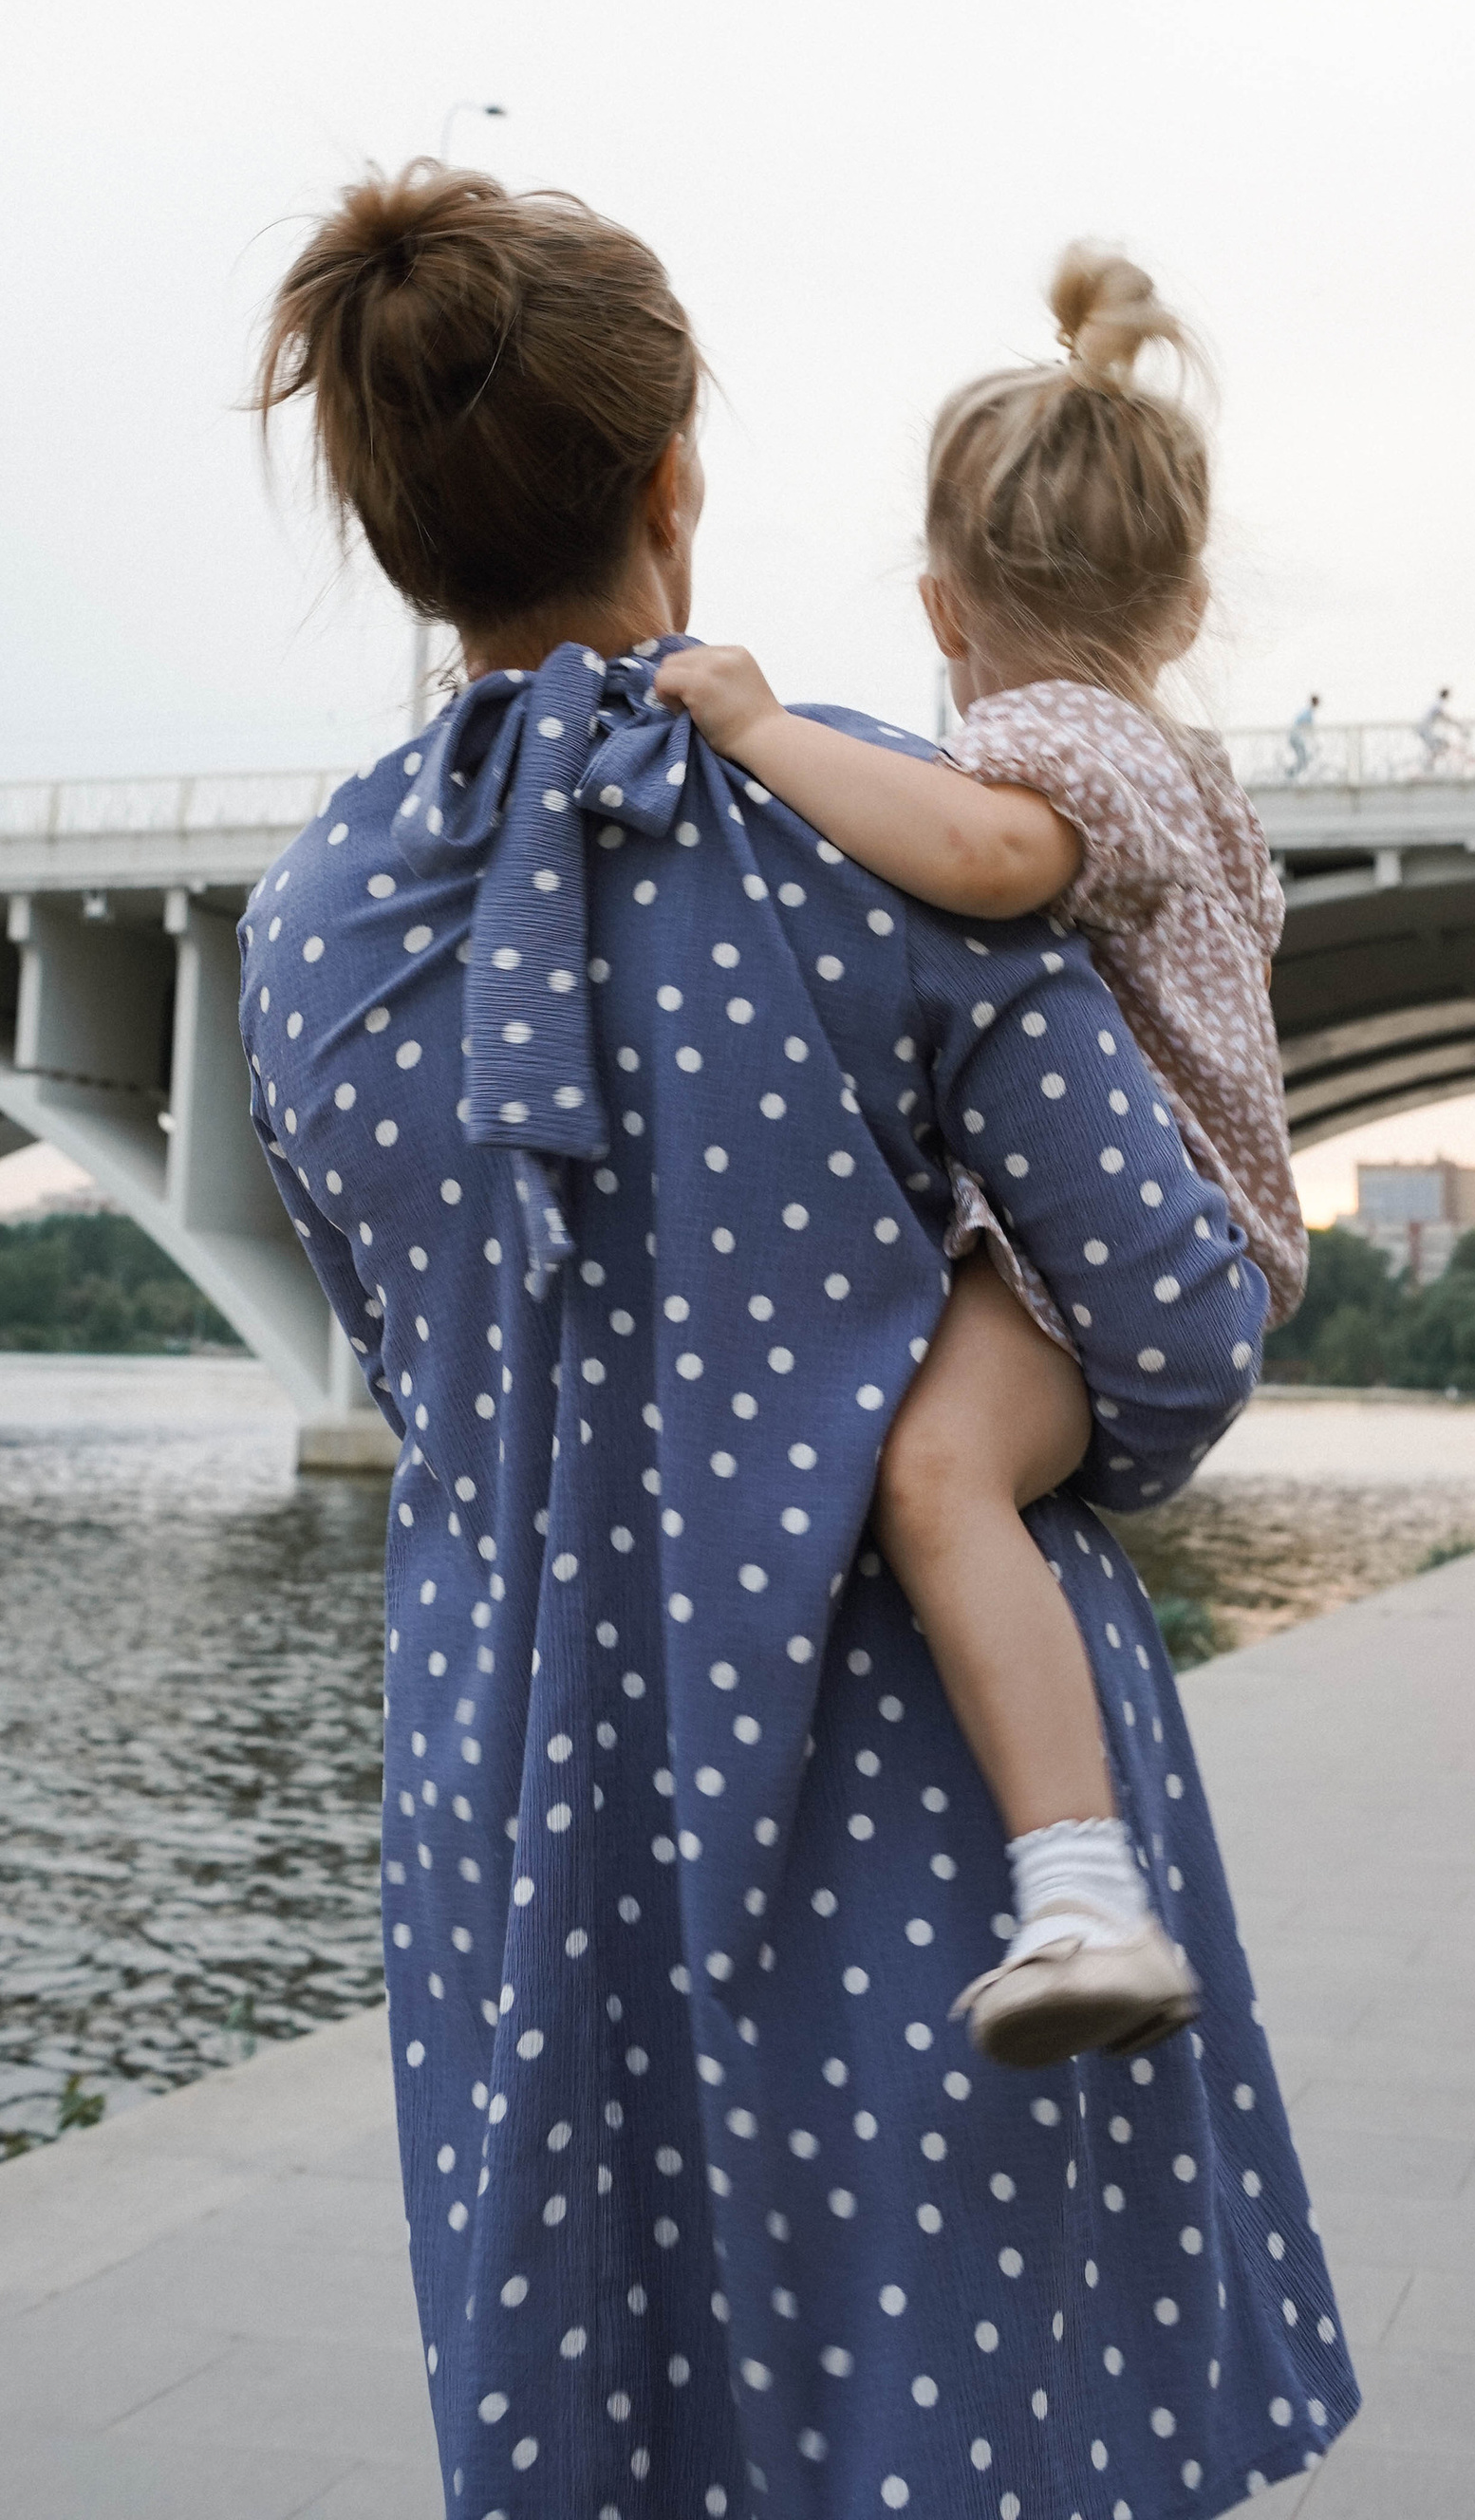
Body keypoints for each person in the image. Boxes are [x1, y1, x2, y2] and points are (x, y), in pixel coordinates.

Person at [239, 166, 1354, 2520]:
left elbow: (430, 1377)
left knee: (615, 2424)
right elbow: (1169, 1319)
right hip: (933, 1833)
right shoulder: (872, 827)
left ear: (397, 533)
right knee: (962, 2441)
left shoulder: (312, 928)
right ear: (673, 483)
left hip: (521, 1812)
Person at [655, 250, 1304, 2074]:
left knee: (934, 1476)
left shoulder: (1050, 748)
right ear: (1186, 604)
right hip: (1181, 1247)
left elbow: (989, 858)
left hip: (1133, 1254)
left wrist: (762, 732)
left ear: (941, 611)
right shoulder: (1178, 760)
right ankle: (1081, 1871)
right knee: (948, 1468)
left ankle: (1082, 1889)